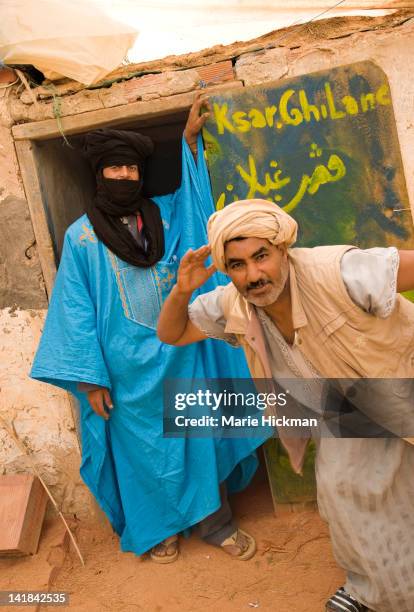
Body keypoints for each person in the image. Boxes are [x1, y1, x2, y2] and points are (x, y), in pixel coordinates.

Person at [31, 96, 267, 563]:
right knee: (145, 455)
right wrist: (87, 377)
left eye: (130, 169)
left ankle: (216, 525)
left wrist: (189, 143)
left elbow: (197, 207)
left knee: (199, 438)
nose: (123, 177)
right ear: (99, 175)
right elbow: (74, 310)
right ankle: (160, 531)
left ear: (140, 173)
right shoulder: (81, 237)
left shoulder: (161, 215)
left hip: (180, 350)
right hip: (123, 372)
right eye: (113, 169)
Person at [157, 198, 414, 610]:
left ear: (283, 250)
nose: (253, 275)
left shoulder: (338, 271)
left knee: (371, 492)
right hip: (346, 410)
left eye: (261, 256)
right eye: (238, 264)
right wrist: (182, 289)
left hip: (400, 386)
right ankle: (373, 589)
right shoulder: (233, 304)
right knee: (342, 494)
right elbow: (172, 332)